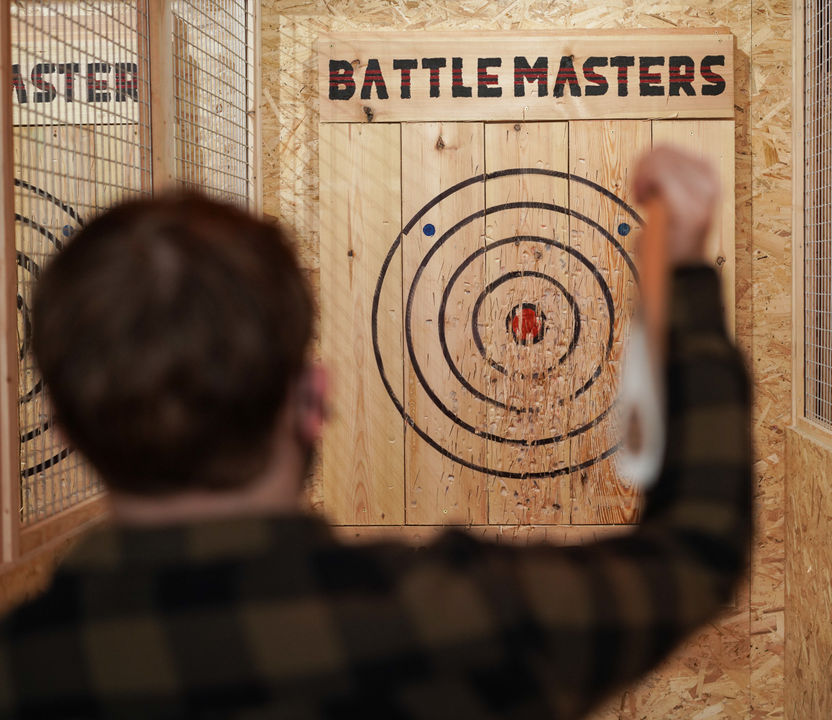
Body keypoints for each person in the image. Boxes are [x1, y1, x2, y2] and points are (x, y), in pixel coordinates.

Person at [0, 148, 751, 719]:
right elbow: (700, 548)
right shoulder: (460, 619)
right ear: (313, 399)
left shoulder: (25, 669)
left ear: (61, 426)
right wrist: (680, 263)